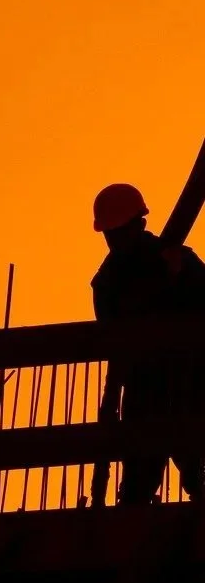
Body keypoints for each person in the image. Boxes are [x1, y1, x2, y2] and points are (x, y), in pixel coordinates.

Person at [90, 183, 205, 506]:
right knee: (138, 483)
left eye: (119, 232)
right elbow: (113, 337)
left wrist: (178, 278)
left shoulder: (179, 260)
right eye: (111, 235)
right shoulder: (108, 282)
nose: (115, 241)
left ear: (139, 225)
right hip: (145, 390)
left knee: (199, 471)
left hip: (189, 385)